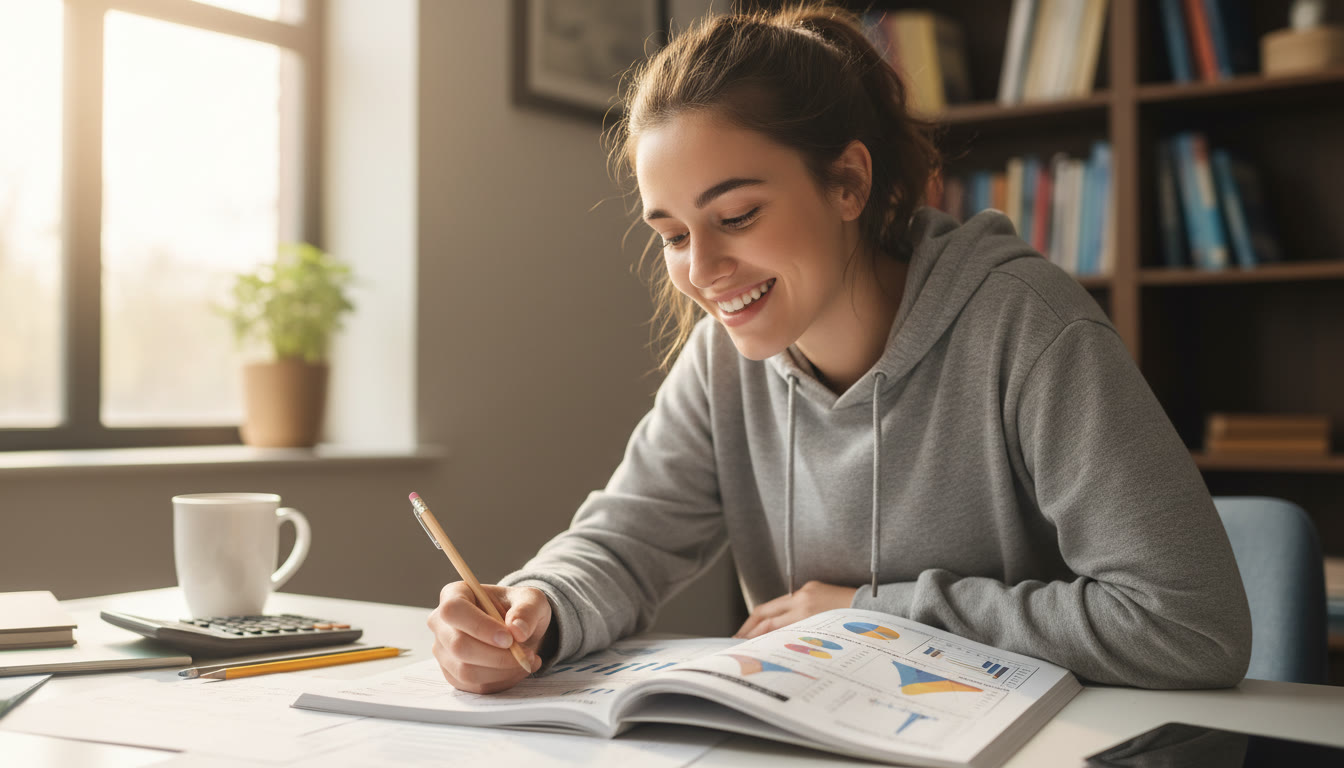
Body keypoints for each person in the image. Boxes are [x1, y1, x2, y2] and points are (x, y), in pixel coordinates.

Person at [428, 2, 1252, 695]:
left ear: (850, 183)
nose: (703, 271)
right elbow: (623, 544)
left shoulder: (1026, 328)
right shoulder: (723, 359)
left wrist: (874, 612)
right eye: (673, 234)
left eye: (737, 216)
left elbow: (1189, 625)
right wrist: (537, 604)